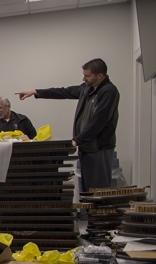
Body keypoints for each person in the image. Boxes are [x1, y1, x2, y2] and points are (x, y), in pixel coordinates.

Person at [16, 58, 119, 192]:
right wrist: (37, 92)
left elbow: (99, 120)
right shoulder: (87, 89)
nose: (83, 78)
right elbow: (65, 92)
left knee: (98, 191)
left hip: (99, 148)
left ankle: (93, 213)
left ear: (100, 75)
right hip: (86, 147)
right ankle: (86, 213)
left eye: (87, 75)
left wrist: (77, 140)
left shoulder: (109, 91)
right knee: (87, 191)